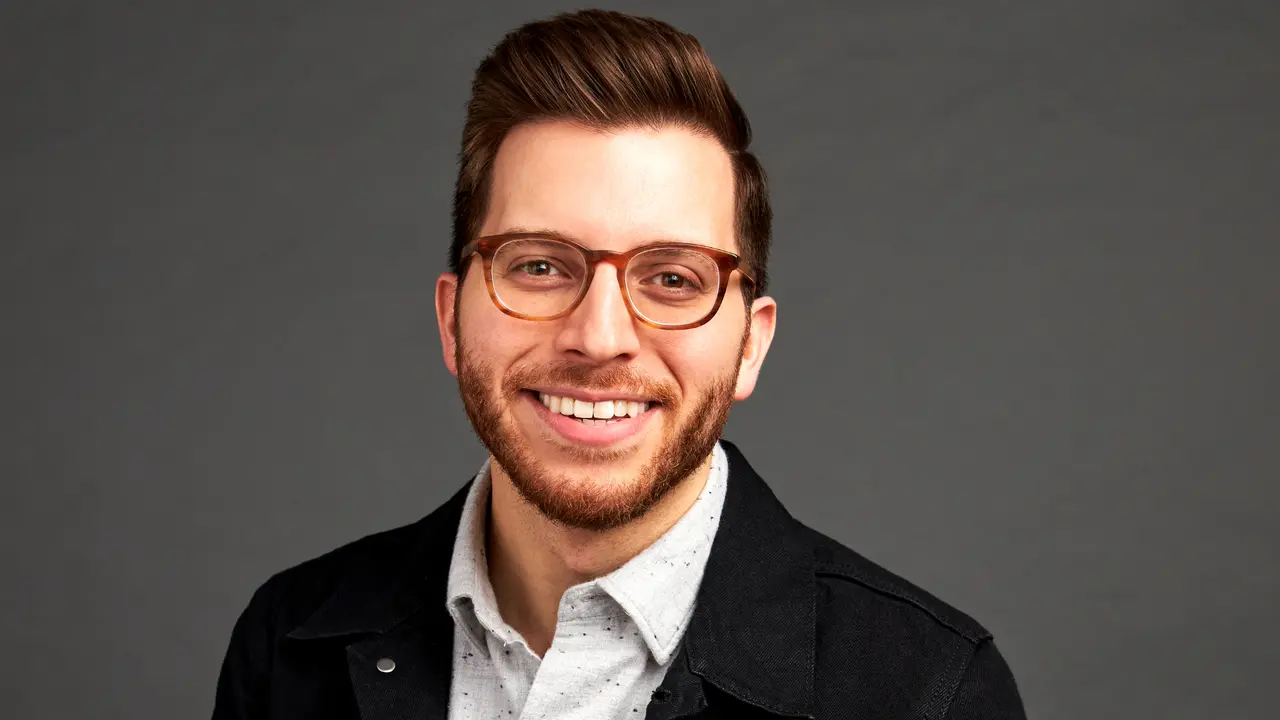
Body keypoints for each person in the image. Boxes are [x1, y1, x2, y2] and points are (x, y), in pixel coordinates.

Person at [213, 9, 1026, 719]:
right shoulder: (291, 642)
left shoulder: (926, 692)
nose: (600, 338)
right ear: (450, 321)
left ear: (751, 344)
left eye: (673, 279)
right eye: (539, 266)